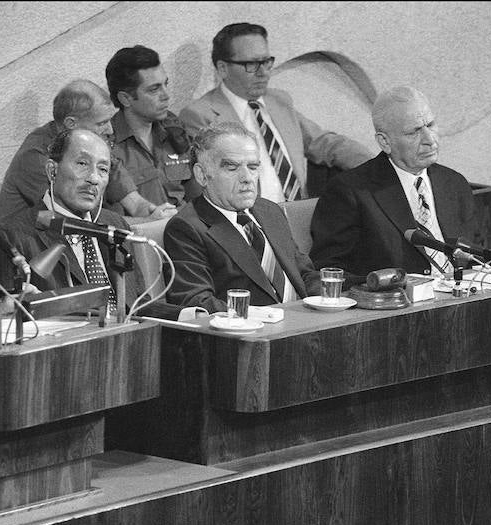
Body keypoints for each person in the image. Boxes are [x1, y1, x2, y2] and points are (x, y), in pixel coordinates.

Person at [0, 128, 195, 321]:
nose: (94, 179)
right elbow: (1, 318)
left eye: (103, 169)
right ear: (52, 171)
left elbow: (138, 306)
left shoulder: (114, 225)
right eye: (82, 164)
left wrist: (195, 316)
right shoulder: (12, 236)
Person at [179, 22, 374, 204]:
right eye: (252, 64)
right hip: (251, 221)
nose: (263, 72)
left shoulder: (279, 101)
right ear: (223, 68)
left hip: (299, 212)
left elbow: (325, 143)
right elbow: (208, 185)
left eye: (266, 62)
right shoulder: (201, 115)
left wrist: (378, 165)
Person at [309, 86, 484, 283]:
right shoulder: (350, 191)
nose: (429, 139)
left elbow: (476, 258)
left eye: (431, 125)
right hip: (397, 305)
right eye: (414, 132)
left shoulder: (454, 183)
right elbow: (331, 272)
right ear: (385, 142)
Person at [164, 122, 322, 312]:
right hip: (253, 334)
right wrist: (265, 316)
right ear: (202, 175)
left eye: (253, 167)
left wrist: (326, 299)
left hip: (306, 323)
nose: (247, 178)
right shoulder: (187, 227)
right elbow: (196, 302)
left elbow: (304, 273)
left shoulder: (269, 211)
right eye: (232, 168)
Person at [0, 79, 170, 223]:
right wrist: (146, 222)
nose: (110, 130)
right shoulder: (36, 156)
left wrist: (155, 212)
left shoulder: (94, 147)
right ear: (71, 124)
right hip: (31, 247)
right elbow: (77, 219)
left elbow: (135, 204)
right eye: (101, 123)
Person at [105, 45, 199, 220]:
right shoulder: (106, 146)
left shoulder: (175, 131)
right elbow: (103, 220)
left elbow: (200, 197)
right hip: (140, 239)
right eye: (154, 89)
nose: (166, 95)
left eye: (165, 84)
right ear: (125, 98)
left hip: (189, 234)